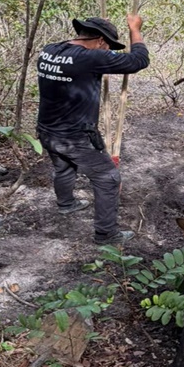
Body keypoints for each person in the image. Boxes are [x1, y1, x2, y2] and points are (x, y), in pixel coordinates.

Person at [36, 15, 150, 245]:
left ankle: (66, 204)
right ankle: (106, 234)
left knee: (64, 166)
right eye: (107, 45)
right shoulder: (90, 58)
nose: (108, 50)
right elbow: (139, 61)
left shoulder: (50, 50)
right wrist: (135, 30)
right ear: (99, 41)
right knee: (108, 178)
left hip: (47, 130)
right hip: (74, 135)